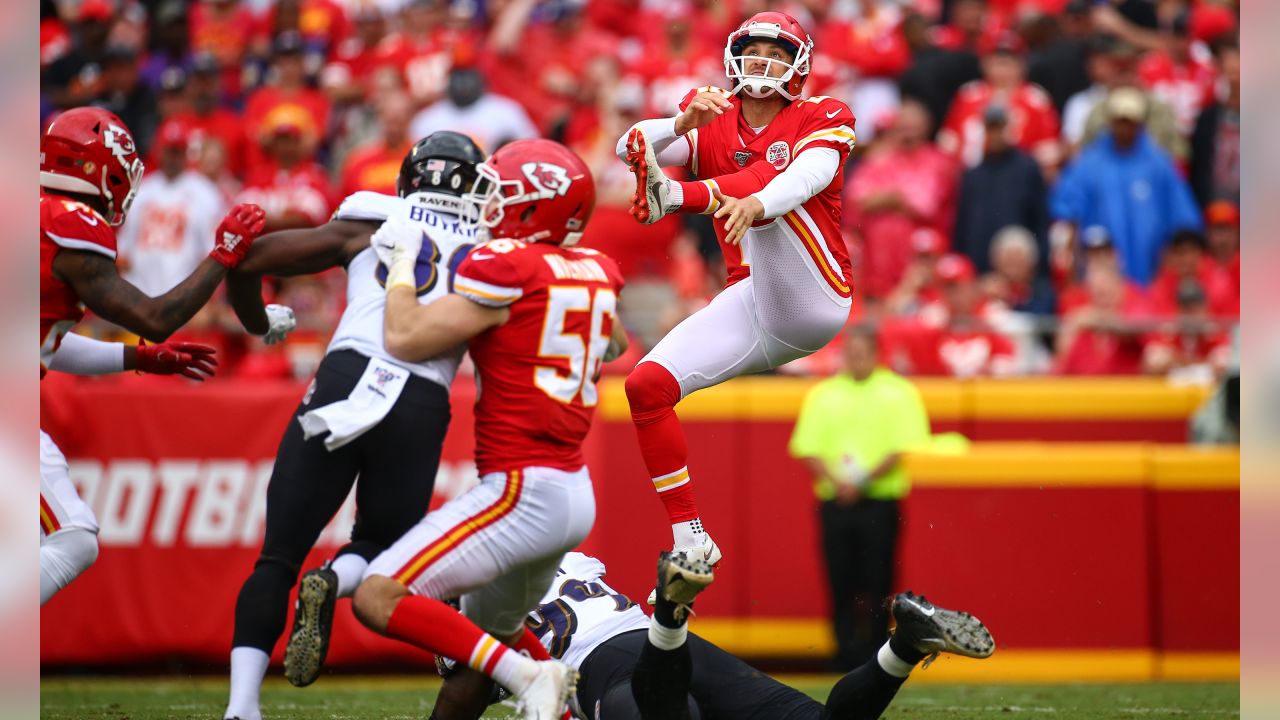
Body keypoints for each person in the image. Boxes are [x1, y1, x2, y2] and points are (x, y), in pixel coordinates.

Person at [349, 138, 627, 720]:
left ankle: (535, 677)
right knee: (493, 629)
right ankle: (555, 699)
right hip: (573, 492)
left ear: (531, 207)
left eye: (499, 194)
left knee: (378, 594)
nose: (486, 204)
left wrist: (401, 265)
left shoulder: (507, 266)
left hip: (522, 488)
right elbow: (615, 341)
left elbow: (405, 335)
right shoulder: (596, 270)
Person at [218, 132, 486, 720]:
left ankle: (242, 707)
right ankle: (334, 585)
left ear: (409, 180)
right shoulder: (494, 249)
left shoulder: (373, 222)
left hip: (348, 371)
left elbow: (249, 258)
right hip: (421, 394)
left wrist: (258, 320)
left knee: (277, 556)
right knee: (380, 542)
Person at [616, 10, 856, 574]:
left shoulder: (822, 114)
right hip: (753, 300)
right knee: (646, 387)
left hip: (815, 295)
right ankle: (690, 535)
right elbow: (631, 145)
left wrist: (696, 198)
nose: (763, 62)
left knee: (774, 199)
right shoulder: (714, 118)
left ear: (797, 65)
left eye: (776, 53)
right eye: (754, 51)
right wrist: (680, 123)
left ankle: (673, 200)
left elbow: (804, 178)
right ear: (733, 57)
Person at [40, 107, 267, 604]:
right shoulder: (69, 224)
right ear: (97, 168)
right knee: (73, 538)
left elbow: (38, 347)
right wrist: (222, 255)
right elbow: (156, 316)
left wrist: (134, 361)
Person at [427, 551, 995, 720]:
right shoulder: (562, 556)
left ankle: (671, 618)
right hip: (647, 641)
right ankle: (902, 646)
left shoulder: (466, 602)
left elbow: (459, 702)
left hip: (604, 667)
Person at [789, 326, 931, 670]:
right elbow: (807, 449)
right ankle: (843, 654)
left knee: (879, 582)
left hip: (879, 503)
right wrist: (839, 484)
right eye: (850, 351)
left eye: (861, 351)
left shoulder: (898, 392)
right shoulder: (823, 393)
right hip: (835, 504)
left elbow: (903, 447)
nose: (855, 358)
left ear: (876, 352)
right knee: (839, 579)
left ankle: (876, 656)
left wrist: (861, 482)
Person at [1051, 87, 1202, 287]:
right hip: (1100, 282)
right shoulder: (1089, 164)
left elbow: (1184, 221)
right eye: (1119, 121)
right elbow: (1067, 215)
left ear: (1139, 124)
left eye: (1129, 122)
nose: (1124, 128)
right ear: (1110, 122)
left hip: (1152, 280)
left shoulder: (1159, 165)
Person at [117, 117, 228, 295]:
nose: (172, 158)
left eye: (177, 152)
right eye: (169, 151)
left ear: (186, 154)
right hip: (138, 293)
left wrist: (202, 294)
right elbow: (124, 251)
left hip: (184, 296)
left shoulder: (206, 193)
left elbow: (212, 253)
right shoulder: (142, 190)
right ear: (159, 151)